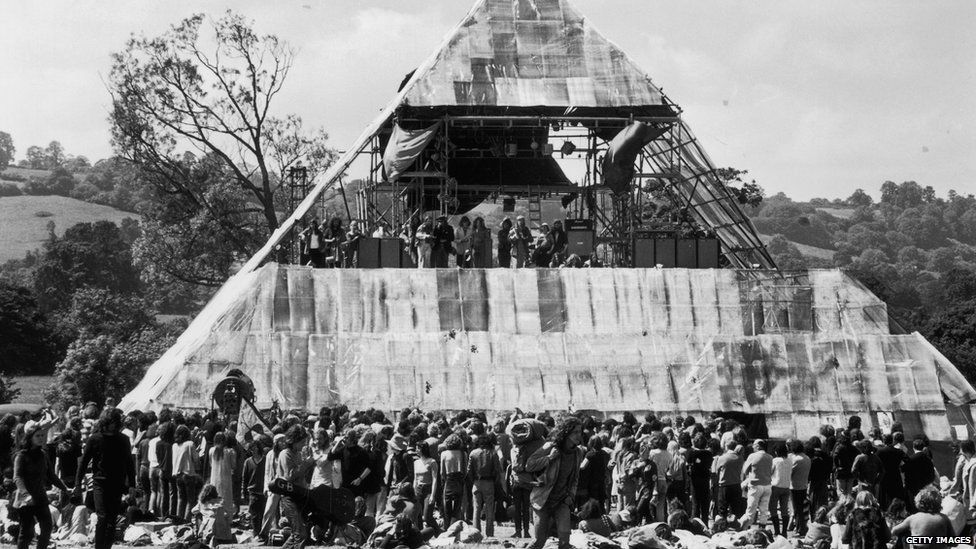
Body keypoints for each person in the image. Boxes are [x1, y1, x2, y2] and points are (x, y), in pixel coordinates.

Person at [75, 408, 135, 549]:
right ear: (105, 423)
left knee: (111, 520)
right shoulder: (95, 439)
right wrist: (78, 484)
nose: (113, 426)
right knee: (101, 516)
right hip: (99, 483)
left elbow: (129, 463)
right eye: (110, 422)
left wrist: (132, 484)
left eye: (115, 422)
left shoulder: (123, 440)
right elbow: (83, 463)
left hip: (117, 483)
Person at [524, 417, 584, 549]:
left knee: (564, 538)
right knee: (539, 541)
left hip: (561, 500)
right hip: (542, 500)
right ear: (566, 432)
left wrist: (571, 496)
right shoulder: (550, 446)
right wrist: (549, 458)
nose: (579, 435)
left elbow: (575, 478)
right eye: (575, 432)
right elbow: (529, 465)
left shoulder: (578, 453)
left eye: (580, 432)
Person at [14, 420, 69, 549]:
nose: (41, 438)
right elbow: (17, 477)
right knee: (26, 533)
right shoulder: (21, 456)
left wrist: (65, 488)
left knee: (47, 527)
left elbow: (51, 475)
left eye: (42, 435)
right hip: (25, 501)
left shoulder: (43, 455)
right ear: (30, 438)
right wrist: (26, 495)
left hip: (40, 497)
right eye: (37, 436)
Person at [467, 432, 503, 537]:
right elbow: (497, 470)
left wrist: (473, 480)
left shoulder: (473, 453)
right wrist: (496, 482)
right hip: (489, 483)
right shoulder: (493, 453)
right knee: (489, 509)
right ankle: (489, 533)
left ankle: (475, 533)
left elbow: (469, 471)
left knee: (476, 508)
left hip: (477, 482)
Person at [740, 439, 773, 530]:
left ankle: (746, 529)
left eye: (754, 445)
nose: (753, 447)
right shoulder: (770, 457)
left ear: (758, 446)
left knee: (750, 510)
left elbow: (745, 470)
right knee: (764, 510)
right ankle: (762, 530)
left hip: (755, 485)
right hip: (767, 485)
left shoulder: (752, 456)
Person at [171, 424, 200, 523]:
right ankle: (186, 520)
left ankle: (179, 519)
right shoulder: (190, 444)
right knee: (190, 500)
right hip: (188, 474)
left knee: (181, 499)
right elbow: (196, 459)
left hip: (177, 475)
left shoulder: (174, 446)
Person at [713, 439, 744, 522]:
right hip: (737, 485)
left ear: (726, 447)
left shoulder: (722, 458)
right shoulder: (740, 458)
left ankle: (722, 527)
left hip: (724, 486)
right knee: (735, 510)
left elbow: (716, 471)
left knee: (722, 509)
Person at [903, 439, 937, 512]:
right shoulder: (928, 459)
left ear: (913, 447)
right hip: (925, 488)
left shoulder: (910, 459)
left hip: (913, 489)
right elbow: (932, 476)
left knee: (914, 509)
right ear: (923, 447)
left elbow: (905, 473)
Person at [242, 440, 266, 538]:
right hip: (253, 491)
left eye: (256, 448)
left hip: (264, 491)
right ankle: (256, 534)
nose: (254, 450)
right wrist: (243, 492)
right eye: (252, 448)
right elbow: (245, 478)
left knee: (264, 513)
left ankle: (263, 533)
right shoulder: (248, 462)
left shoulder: (265, 460)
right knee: (254, 515)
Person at [208, 431, 236, 516]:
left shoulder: (211, 450)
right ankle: (227, 519)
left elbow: (211, 464)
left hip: (214, 479)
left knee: (215, 499)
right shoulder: (230, 452)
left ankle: (216, 517)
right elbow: (234, 466)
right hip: (226, 479)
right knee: (226, 499)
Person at [876, 434, 907, 509]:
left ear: (884, 441)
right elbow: (907, 461)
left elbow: (876, 463)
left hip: (885, 476)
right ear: (892, 441)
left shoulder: (880, 451)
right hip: (896, 475)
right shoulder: (899, 451)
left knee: (885, 496)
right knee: (896, 495)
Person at [788, 438, 812, 537]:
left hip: (794, 487)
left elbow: (790, 473)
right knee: (801, 509)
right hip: (804, 485)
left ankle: (799, 530)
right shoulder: (807, 458)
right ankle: (802, 527)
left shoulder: (796, 459)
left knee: (797, 509)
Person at [412, 441, 438, 529]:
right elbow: (415, 479)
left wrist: (433, 495)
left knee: (427, 517)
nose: (416, 450)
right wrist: (413, 492)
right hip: (418, 490)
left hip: (428, 489)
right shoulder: (416, 462)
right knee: (417, 516)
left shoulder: (432, 462)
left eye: (418, 448)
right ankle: (420, 536)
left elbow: (435, 479)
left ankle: (438, 532)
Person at [687, 433, 713, 523]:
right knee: (705, 502)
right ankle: (705, 521)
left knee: (696, 503)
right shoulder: (709, 454)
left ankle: (696, 522)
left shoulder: (692, 453)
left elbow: (688, 463)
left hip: (695, 480)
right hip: (705, 479)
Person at [769, 443, 791, 537]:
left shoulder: (775, 460)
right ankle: (784, 532)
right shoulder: (790, 460)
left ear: (777, 451)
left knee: (773, 509)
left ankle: (777, 531)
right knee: (784, 510)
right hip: (786, 487)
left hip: (775, 486)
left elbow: (770, 472)